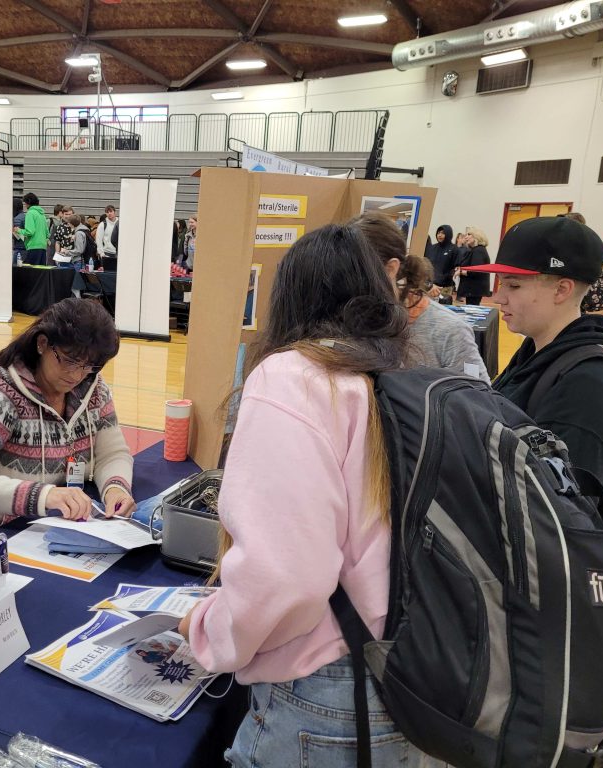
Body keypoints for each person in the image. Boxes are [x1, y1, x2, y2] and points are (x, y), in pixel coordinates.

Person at [177, 223, 441, 768]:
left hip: (330, 686)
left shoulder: (295, 376)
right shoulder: (398, 374)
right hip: (417, 674)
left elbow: (285, 573)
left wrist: (214, 633)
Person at [0, 298, 135, 541]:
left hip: (54, 531)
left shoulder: (94, 389)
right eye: (69, 360)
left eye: (89, 366)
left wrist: (115, 487)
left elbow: (113, 453)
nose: (77, 375)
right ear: (42, 344)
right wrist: (44, 496)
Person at [463, 216, 603, 491]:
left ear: (562, 290)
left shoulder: (587, 383)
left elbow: (569, 507)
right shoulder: (536, 351)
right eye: (501, 283)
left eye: (513, 285)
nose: (499, 297)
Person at [352, 213, 490, 382]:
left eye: (355, 271)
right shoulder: (350, 319)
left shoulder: (449, 331)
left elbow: (477, 399)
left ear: (390, 269)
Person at [455, 225, 491, 305]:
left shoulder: (478, 250)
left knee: (471, 310)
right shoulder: (476, 250)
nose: (466, 237)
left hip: (474, 289)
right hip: (473, 289)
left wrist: (460, 272)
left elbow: (476, 271)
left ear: (476, 236)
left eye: (469, 234)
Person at [425, 224, 457, 303]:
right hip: (431, 285)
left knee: (442, 309)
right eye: (438, 233)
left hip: (445, 287)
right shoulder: (432, 248)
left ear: (448, 234)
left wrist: (446, 276)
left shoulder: (454, 249)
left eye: (443, 233)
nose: (440, 235)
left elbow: (456, 266)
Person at [16, 192, 47, 265]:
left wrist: (19, 230)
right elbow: (47, 232)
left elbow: (30, 232)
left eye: (25, 203)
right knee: (40, 272)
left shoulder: (30, 213)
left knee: (31, 272)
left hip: (33, 246)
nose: (25, 205)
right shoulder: (42, 214)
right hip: (43, 247)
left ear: (28, 203)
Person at [12, 196, 27, 264]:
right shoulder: (25, 216)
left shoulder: (17, 219)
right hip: (26, 248)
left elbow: (17, 236)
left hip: (19, 249)